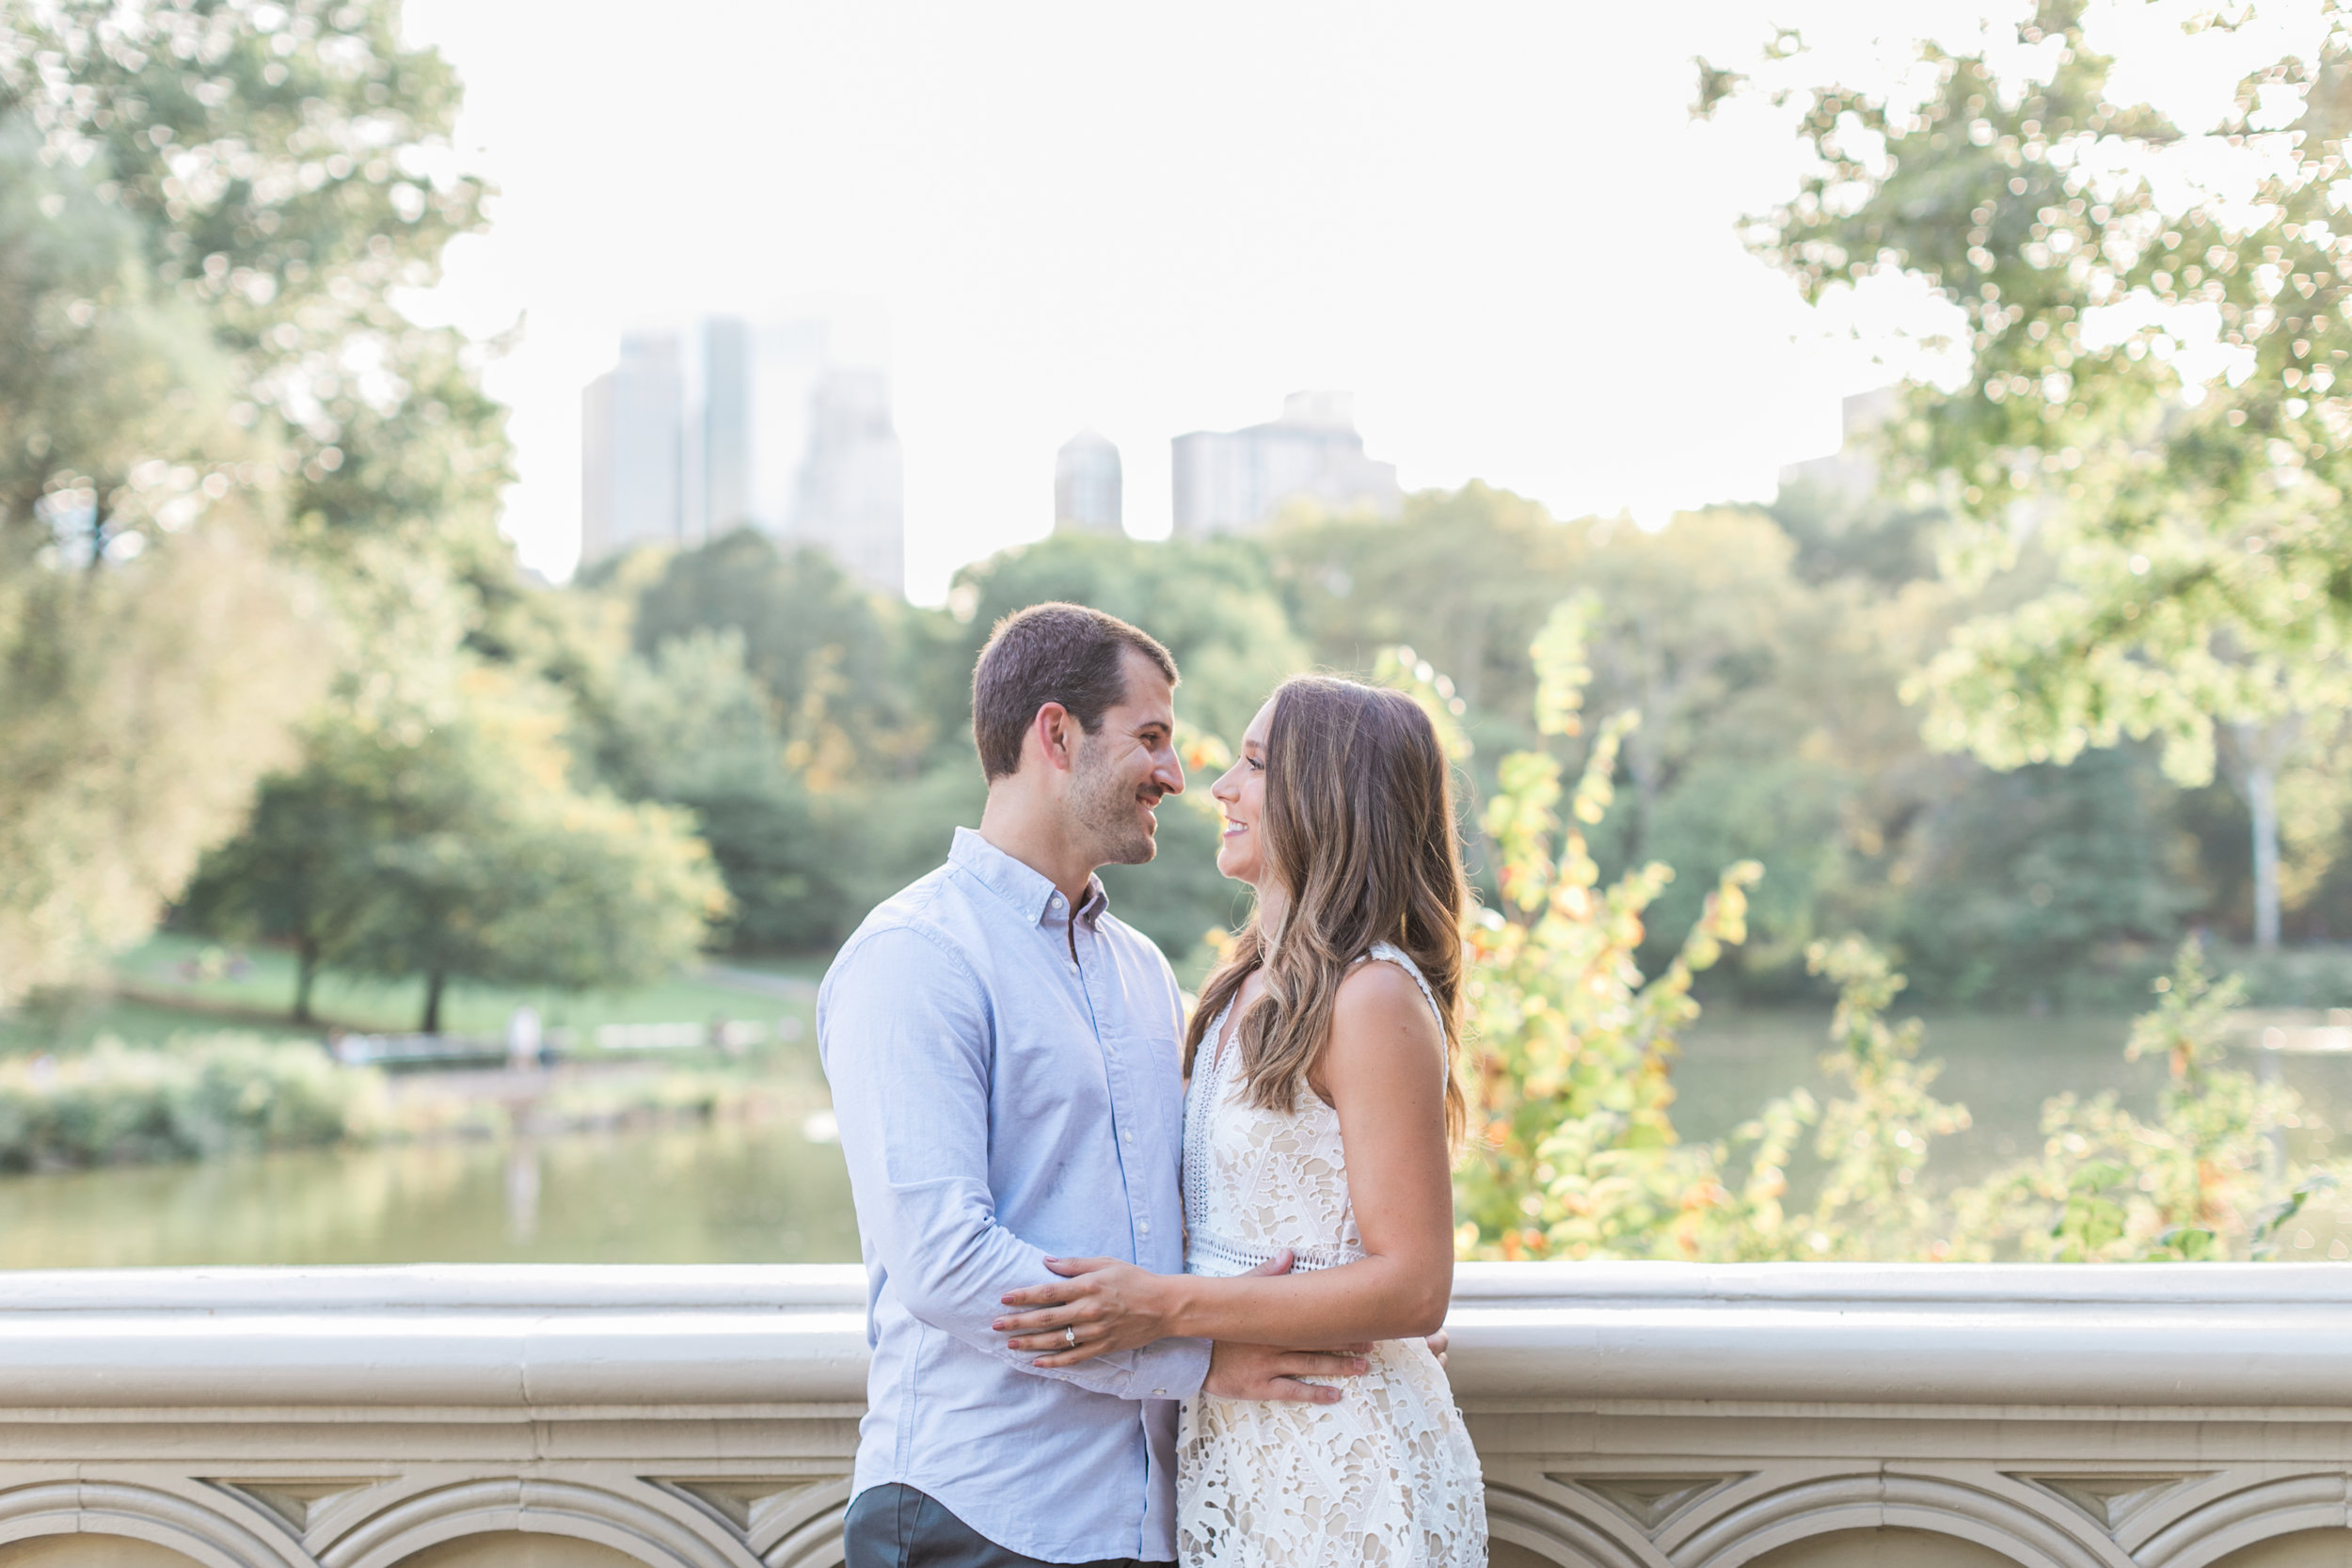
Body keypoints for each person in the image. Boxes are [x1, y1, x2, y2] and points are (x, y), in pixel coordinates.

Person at [818, 605, 1377, 1568]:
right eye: (1151, 738)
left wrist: (1357, 1326)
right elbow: (945, 1262)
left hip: (1148, 1516)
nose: (1176, 774)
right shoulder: (916, 957)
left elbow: (1193, 1217)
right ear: (1055, 733)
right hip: (980, 1512)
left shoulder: (1140, 969)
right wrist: (1199, 1356)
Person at [992, 675, 1486, 1566]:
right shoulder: (1242, 986)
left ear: (1328, 797)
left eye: (1254, 765)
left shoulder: (1372, 996)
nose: (1218, 786)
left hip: (1339, 1454)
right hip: (1235, 1445)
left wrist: (1164, 1307)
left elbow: (1415, 1286)